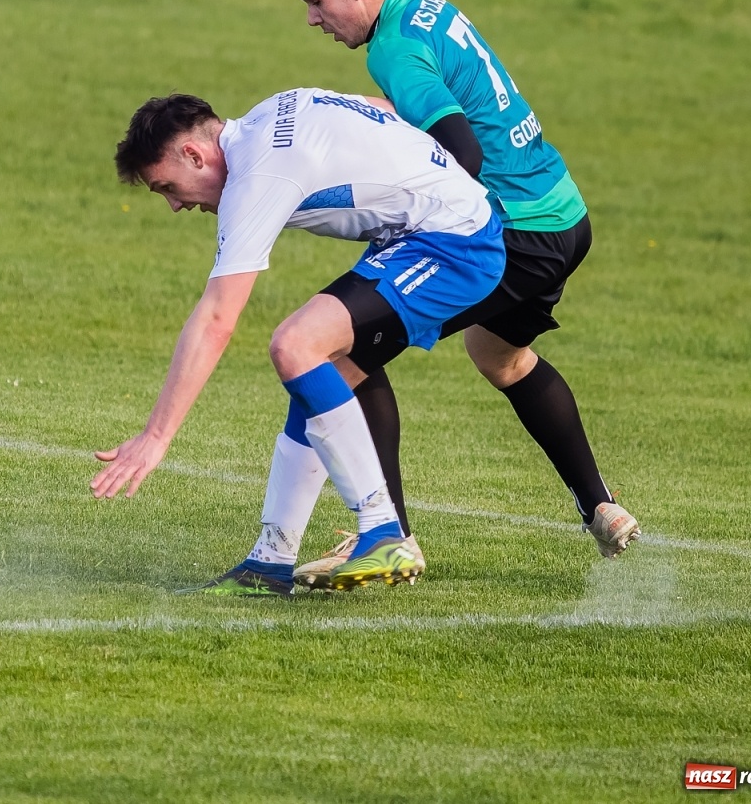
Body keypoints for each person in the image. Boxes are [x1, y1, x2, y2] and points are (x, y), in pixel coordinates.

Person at [280, 0, 639, 586]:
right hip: (564, 214)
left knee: (340, 352)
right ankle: (601, 507)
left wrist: (403, 221)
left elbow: (463, 153)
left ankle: (388, 537)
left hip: (514, 230)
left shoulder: (392, 49)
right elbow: (447, 106)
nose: (312, 17)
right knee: (500, 356)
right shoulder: (425, 6)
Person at [92, 89, 505, 594]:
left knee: (294, 345)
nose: (176, 205)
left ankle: (382, 532)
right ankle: (270, 562)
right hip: (422, 235)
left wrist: (155, 437)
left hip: (455, 242)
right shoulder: (272, 109)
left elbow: (217, 318)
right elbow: (380, 107)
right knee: (317, 378)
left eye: (167, 188)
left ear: (194, 156)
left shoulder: (258, 177)